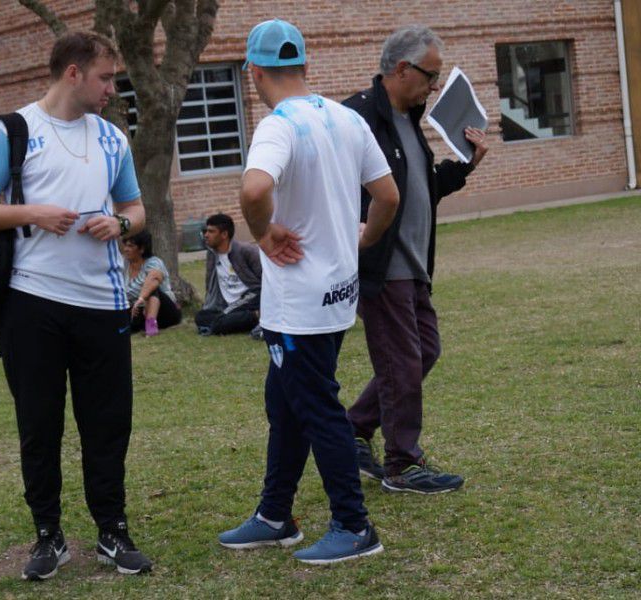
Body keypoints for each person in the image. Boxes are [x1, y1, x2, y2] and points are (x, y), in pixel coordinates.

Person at [0, 31, 152, 580]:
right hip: (32, 304)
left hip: (103, 303)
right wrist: (35, 214)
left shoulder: (113, 138)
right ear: (73, 73)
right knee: (39, 425)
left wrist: (118, 223)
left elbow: (136, 209)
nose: (111, 89)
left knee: (108, 424)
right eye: (104, 77)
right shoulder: (14, 130)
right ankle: (49, 536)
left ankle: (113, 532)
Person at [218, 19, 400, 565]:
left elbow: (254, 188)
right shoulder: (346, 116)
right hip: (338, 293)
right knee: (286, 403)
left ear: (253, 72)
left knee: (316, 406)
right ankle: (276, 515)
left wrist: (261, 232)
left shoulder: (278, 126)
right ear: (304, 65)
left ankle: (354, 524)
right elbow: (387, 195)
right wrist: (363, 236)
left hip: (298, 305)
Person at [342, 25, 489, 494]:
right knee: (402, 363)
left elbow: (421, 190)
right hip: (382, 266)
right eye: (430, 76)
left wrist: (465, 165)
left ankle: (354, 429)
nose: (434, 86)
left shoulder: (410, 119)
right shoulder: (357, 118)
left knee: (424, 351)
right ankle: (402, 465)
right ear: (402, 69)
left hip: (414, 266)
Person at [194, 213, 263, 337]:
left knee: (219, 322)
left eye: (211, 231)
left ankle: (258, 315)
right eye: (206, 231)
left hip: (251, 298)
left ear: (224, 234)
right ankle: (247, 317)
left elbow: (265, 280)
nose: (206, 235)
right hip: (228, 305)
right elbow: (210, 285)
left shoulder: (246, 251)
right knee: (200, 317)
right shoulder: (212, 254)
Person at [121, 231, 182, 336]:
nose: (126, 249)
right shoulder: (123, 265)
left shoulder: (154, 262)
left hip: (164, 312)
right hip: (136, 310)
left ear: (142, 249)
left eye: (130, 246)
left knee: (152, 289)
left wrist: (141, 299)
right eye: (125, 245)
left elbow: (154, 278)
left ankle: (151, 325)